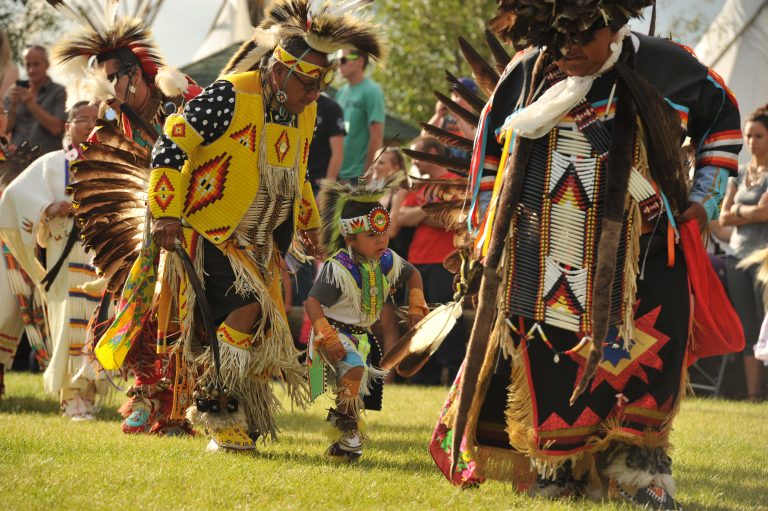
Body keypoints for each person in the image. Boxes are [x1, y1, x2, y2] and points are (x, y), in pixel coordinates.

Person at [428, 1, 743, 508]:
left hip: (644, 257)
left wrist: (704, 200)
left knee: (647, 360)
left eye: (580, 38)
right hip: (547, 254)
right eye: (558, 40)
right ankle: (557, 471)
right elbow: (488, 155)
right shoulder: (527, 74)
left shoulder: (667, 65)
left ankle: (643, 476)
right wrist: (489, 233)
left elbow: (723, 120)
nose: (568, 51)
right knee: (553, 360)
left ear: (613, 26)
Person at [139, 0, 384, 452]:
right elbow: (172, 143)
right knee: (246, 310)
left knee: (255, 330)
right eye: (308, 84)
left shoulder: (306, 110)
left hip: (261, 241)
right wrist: (167, 211)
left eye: (321, 84)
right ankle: (219, 413)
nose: (315, 94)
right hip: (211, 229)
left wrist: (309, 224)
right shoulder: (231, 94)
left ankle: (240, 414)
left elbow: (298, 171)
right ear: (278, 74)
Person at [47, 3, 203, 435]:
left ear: (137, 72)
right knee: (135, 306)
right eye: (103, 78)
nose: (108, 86)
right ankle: (146, 395)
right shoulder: (117, 121)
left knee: (184, 312)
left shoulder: (184, 98)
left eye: (114, 76)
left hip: (194, 225)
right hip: (145, 231)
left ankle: (182, 405)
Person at [305, 176, 428, 459]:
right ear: (350, 237)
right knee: (354, 372)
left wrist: (416, 304)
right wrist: (326, 335)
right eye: (372, 236)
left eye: (383, 234)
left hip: (360, 336)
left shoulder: (385, 259)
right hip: (333, 334)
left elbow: (413, 274)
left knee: (355, 387)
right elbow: (312, 302)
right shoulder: (339, 268)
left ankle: (343, 440)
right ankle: (348, 433)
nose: (381, 240)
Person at [0, 101, 109, 418]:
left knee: (95, 320)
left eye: (95, 120)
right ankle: (70, 395)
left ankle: (87, 392)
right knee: (69, 319)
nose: (90, 125)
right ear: (68, 125)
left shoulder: (106, 162)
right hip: (64, 250)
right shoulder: (54, 162)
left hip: (99, 252)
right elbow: (14, 196)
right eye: (82, 119)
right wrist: (48, 208)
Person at [398, 136, 466, 385]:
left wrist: (423, 214)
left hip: (443, 262)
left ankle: (453, 375)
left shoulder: (455, 182)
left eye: (418, 155)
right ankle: (420, 378)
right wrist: (432, 211)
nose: (414, 161)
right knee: (416, 319)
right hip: (417, 262)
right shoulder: (419, 186)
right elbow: (402, 218)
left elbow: (454, 219)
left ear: (433, 153)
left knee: (446, 320)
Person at [719, 105, 768, 402]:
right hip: (736, 257)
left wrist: (737, 211)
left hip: (764, 260)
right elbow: (723, 218)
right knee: (748, 326)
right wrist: (750, 211)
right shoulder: (736, 173)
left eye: (759, 136)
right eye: (748, 135)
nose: (751, 141)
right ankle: (753, 394)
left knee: (766, 323)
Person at [3, 45, 66, 156]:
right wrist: (12, 105)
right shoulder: (14, 91)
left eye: (36, 64)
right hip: (17, 161)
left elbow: (57, 128)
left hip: (46, 161)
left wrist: (31, 103)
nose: (31, 70)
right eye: (28, 65)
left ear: (47, 64)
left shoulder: (59, 92)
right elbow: (5, 129)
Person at [334, 49, 385, 182]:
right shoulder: (341, 93)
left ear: (359, 61)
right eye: (337, 60)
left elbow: (377, 137)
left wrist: (367, 175)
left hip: (358, 176)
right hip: (337, 175)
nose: (339, 64)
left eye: (343, 60)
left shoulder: (372, 91)